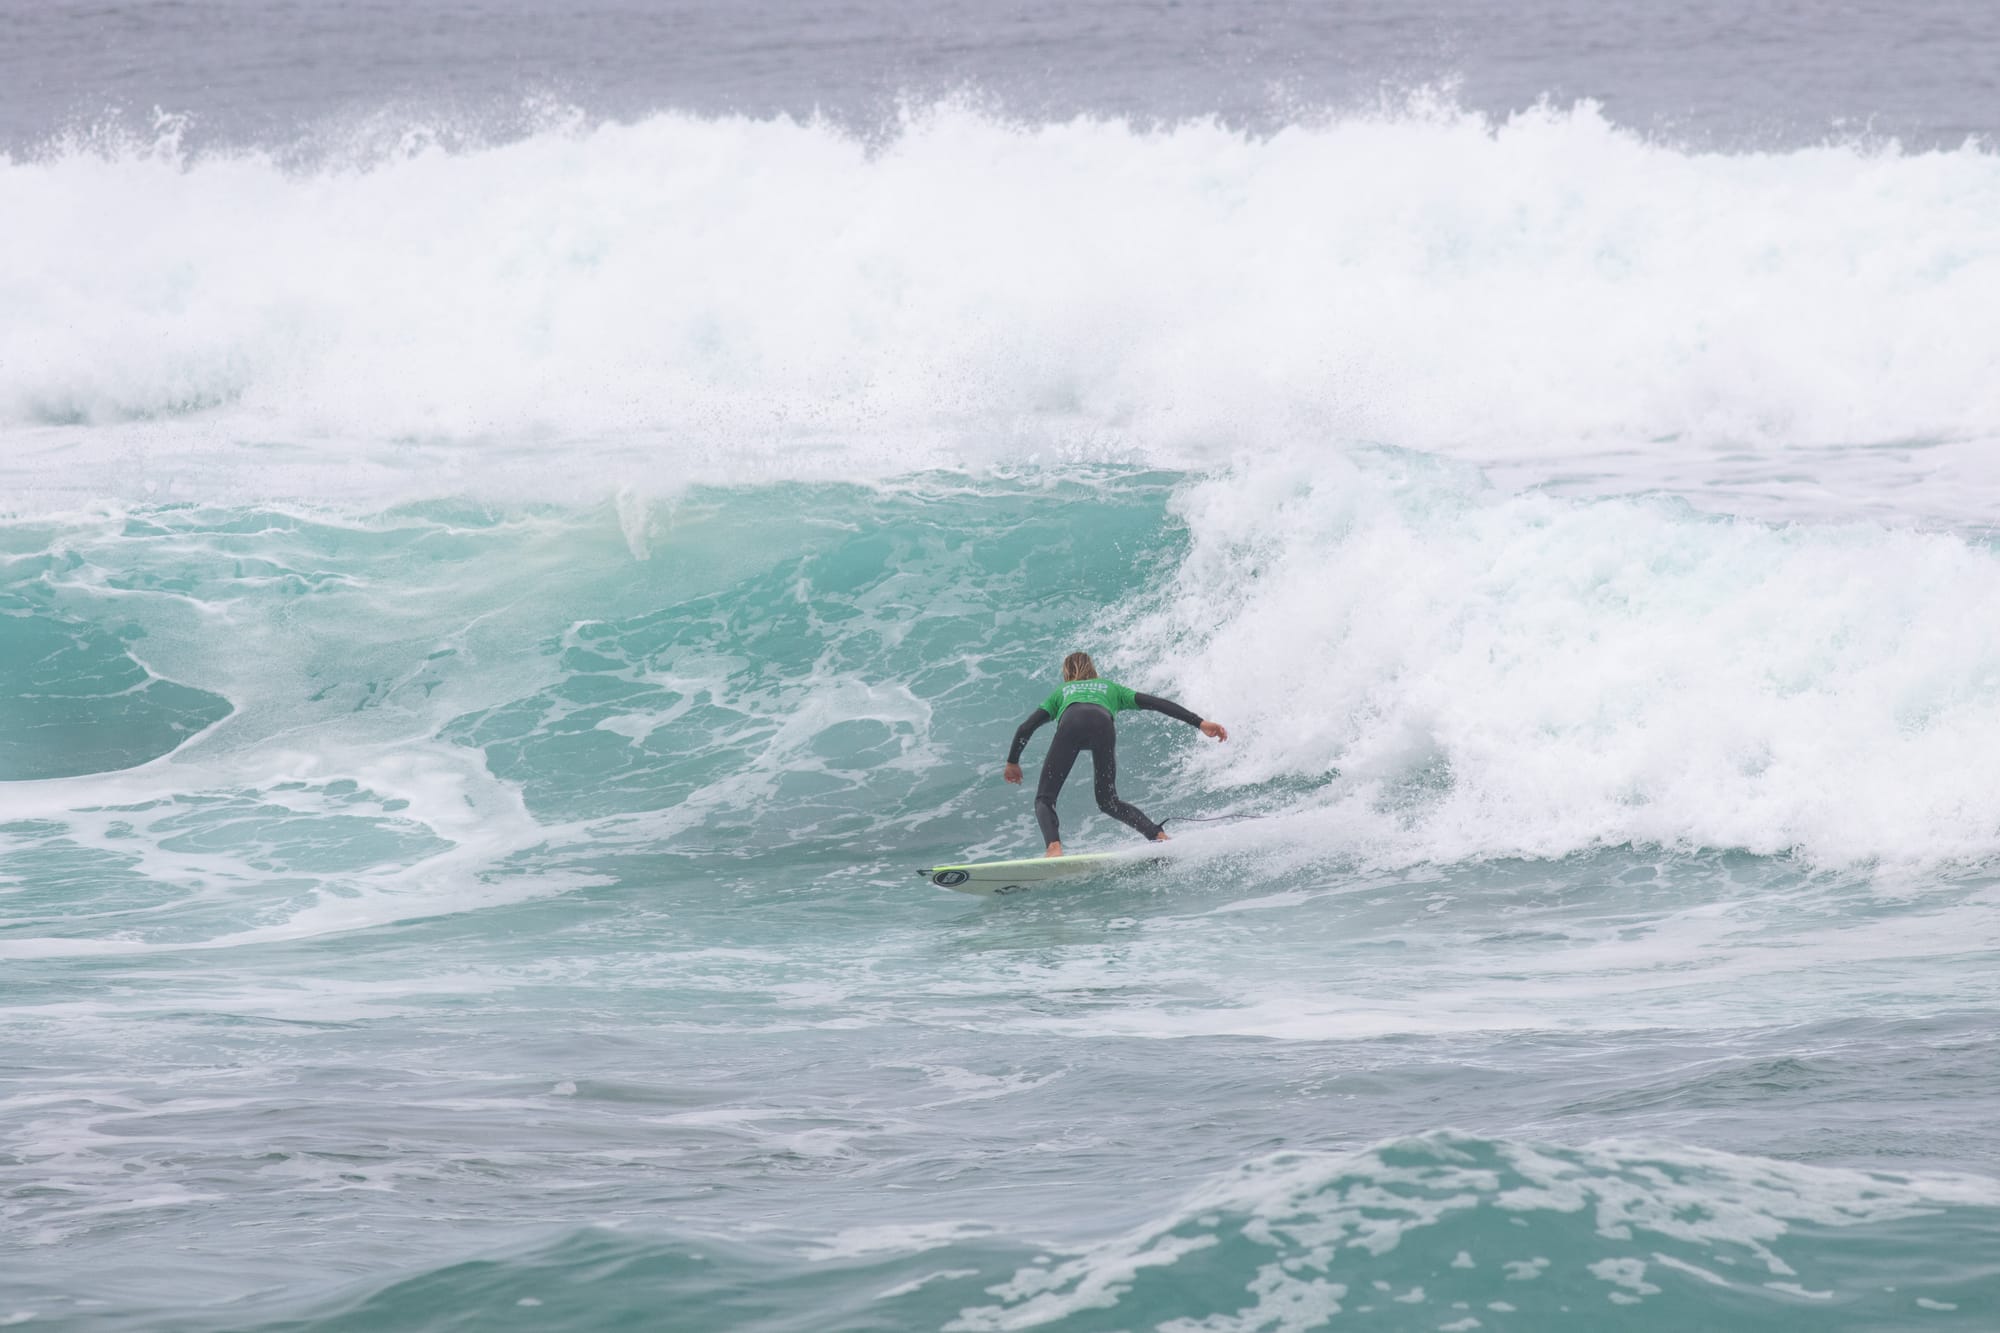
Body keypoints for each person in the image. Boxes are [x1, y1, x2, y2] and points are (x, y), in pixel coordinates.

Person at [1003, 651, 1227, 857]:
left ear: (1066, 672)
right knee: (1108, 801)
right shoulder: (1110, 688)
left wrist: (1013, 761)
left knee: (1045, 799)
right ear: (1092, 669)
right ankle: (1158, 836)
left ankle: (1054, 848)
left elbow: (1026, 728)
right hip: (1103, 725)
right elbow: (1156, 703)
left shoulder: (1062, 691)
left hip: (1071, 723)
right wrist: (1199, 722)